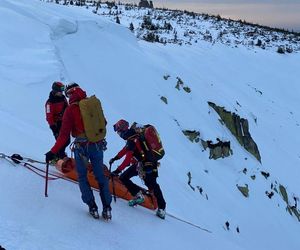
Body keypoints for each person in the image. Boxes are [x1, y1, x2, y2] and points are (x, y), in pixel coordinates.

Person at [45, 84, 112, 220]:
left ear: (70, 94)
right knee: (100, 177)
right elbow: (103, 123)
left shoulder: (71, 109)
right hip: (98, 145)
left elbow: (63, 135)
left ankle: (92, 206)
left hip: (82, 147)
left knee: (82, 176)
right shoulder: (92, 103)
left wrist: (52, 152)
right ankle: (107, 208)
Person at [110, 119, 166, 219]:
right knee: (152, 184)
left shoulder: (132, 139)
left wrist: (117, 171)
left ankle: (161, 207)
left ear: (122, 130)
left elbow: (127, 159)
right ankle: (158, 206)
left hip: (144, 165)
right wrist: (115, 158)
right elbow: (125, 150)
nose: (118, 134)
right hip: (147, 163)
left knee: (150, 184)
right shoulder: (134, 135)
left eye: (118, 132)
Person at [45, 81, 69, 160]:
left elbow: (68, 108)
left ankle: (59, 154)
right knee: (61, 141)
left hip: (64, 122)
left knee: (67, 140)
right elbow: (49, 116)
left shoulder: (63, 98)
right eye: (60, 91)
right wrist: (53, 128)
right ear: (55, 91)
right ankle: (59, 156)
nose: (62, 93)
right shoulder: (49, 103)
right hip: (56, 124)